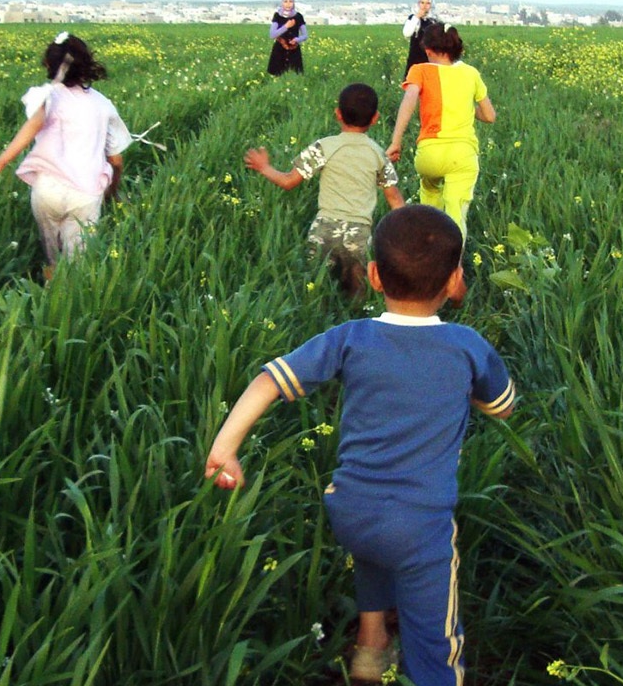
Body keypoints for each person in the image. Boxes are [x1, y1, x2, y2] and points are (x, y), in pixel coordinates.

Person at [204, 204, 516, 686]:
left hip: (350, 508)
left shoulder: (351, 338)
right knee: (435, 641)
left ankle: (370, 648)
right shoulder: (467, 346)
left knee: (374, 549)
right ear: (455, 280)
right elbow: (502, 406)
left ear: (373, 275)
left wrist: (225, 448)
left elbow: (270, 380)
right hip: (420, 525)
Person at [0, 32, 130, 282]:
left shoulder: (47, 97)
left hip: (47, 190)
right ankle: (68, 305)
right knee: (79, 262)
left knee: (52, 257)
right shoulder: (103, 105)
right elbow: (116, 161)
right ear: (87, 63)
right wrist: (113, 190)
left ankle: (48, 294)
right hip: (85, 194)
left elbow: (34, 124)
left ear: (48, 65)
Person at [244, 83, 406, 300]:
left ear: (338, 114)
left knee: (314, 289)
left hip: (323, 230)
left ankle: (315, 322)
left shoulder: (324, 146)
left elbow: (289, 181)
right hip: (358, 235)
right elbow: (394, 199)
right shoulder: (378, 153)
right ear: (375, 118)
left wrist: (265, 167)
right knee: (357, 295)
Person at [386, 24, 495, 234]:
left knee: (430, 197)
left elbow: (409, 98)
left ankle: (428, 244)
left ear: (428, 50)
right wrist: (466, 109)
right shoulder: (471, 73)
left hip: (430, 154)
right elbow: (489, 116)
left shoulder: (420, 70)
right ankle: (454, 265)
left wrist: (396, 141)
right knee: (457, 215)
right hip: (463, 156)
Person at [267, 0, 307, 76]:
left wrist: (297, 39)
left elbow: (305, 35)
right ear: (282, 3)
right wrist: (286, 26)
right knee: (277, 75)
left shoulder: (298, 16)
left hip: (294, 51)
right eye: (285, 1)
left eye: (290, 1)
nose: (288, 4)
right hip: (279, 50)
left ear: (293, 3)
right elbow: (272, 35)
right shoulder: (277, 16)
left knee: (295, 76)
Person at [400, 0, 441, 72]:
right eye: (422, 3)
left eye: (428, 3)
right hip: (415, 56)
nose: (424, 6)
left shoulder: (434, 22)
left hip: (430, 58)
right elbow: (407, 33)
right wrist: (417, 17)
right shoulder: (413, 18)